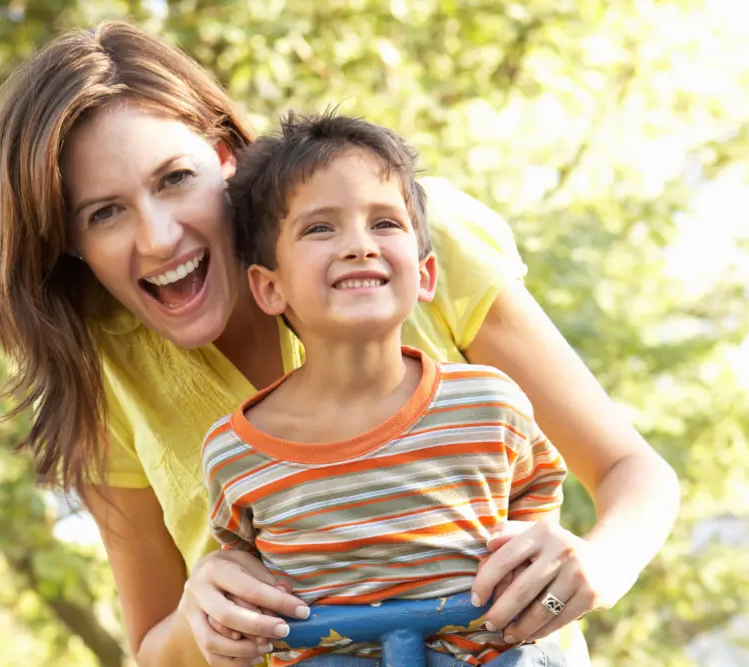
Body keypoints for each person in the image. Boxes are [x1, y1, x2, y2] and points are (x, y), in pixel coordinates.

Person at [0, 19, 680, 667]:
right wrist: (198, 622)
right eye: (105, 213)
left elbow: (630, 469)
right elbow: (152, 644)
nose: (159, 237)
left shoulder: (396, 243)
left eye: (176, 178)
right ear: (70, 245)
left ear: (224, 156)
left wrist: (603, 562)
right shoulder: (105, 372)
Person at [201, 110, 569, 667]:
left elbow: (538, 513)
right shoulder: (235, 453)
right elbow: (245, 575)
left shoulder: (489, 405)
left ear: (424, 275)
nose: (359, 246)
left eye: (385, 224)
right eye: (320, 227)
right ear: (270, 287)